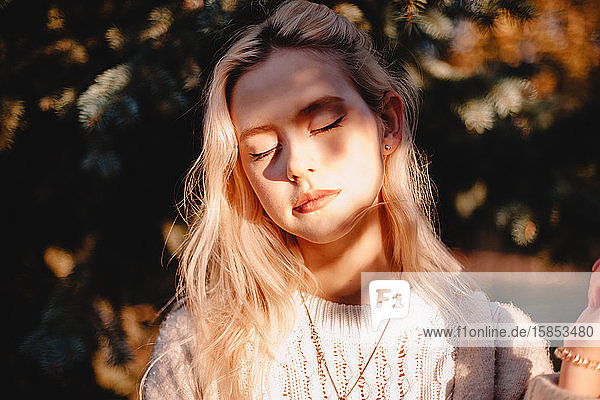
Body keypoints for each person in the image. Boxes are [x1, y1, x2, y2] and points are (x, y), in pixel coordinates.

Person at [141, 1, 600, 398]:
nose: (297, 165)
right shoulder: (201, 348)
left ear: (389, 124)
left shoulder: (493, 343)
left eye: (323, 123)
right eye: (261, 150)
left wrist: (584, 364)